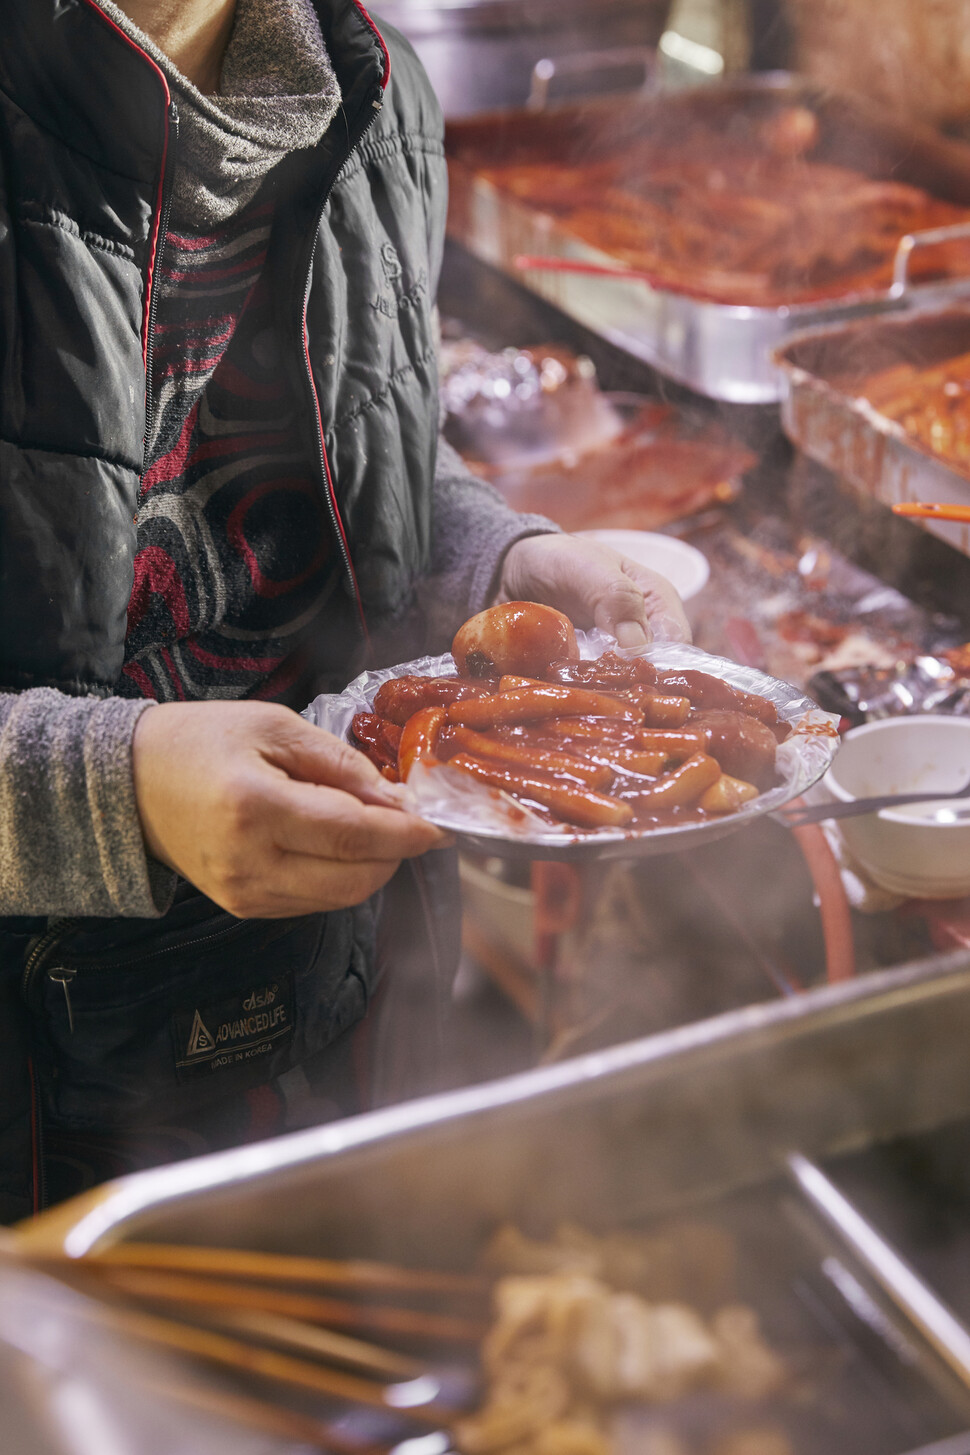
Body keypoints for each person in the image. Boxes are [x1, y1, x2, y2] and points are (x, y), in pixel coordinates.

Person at [0, 0, 688, 1223]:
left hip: (335, 1013)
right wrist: (120, 786)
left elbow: (369, 437)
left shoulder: (375, 92)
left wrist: (496, 566)